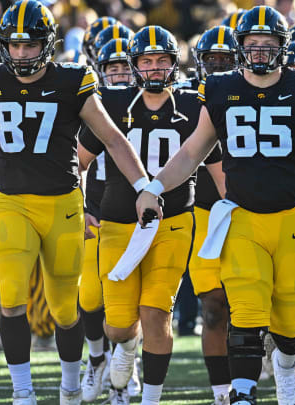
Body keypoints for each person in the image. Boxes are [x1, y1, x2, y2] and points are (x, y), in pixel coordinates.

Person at [135, 6, 295, 405]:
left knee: (288, 317)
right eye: (253, 44)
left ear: (282, 47)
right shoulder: (219, 89)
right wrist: (155, 186)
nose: (261, 51)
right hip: (242, 214)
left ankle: (286, 364)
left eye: (269, 44)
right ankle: (245, 392)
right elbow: (191, 152)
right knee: (247, 309)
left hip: (294, 217)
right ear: (241, 47)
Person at [0, 2, 150, 403]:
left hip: (62, 205)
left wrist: (145, 186)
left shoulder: (72, 81)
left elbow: (112, 138)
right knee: (11, 299)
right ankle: (22, 392)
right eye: (15, 46)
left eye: (30, 46)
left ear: (48, 44)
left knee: (64, 308)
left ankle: (71, 386)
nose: (22, 54)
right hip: (11, 203)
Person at [79, 25, 224, 405]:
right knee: (118, 325)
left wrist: (235, 208)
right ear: (135, 64)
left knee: (156, 313)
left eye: (162, 60)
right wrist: (78, 206)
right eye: (147, 60)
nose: (155, 68)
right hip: (117, 220)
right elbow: (76, 160)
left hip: (174, 221)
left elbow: (218, 167)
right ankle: (125, 347)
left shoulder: (194, 105)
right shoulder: (111, 103)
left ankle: (152, 399)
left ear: (174, 64)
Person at [77, 36, 140, 403]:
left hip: (131, 214)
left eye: (122, 68)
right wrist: (84, 206)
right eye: (111, 69)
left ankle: (126, 371)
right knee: (89, 297)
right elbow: (78, 161)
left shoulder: (145, 105)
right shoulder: (91, 104)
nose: (117, 75)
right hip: (96, 209)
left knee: (131, 302)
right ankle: (97, 358)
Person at [188, 25, 234, 405]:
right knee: (214, 307)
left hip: (252, 208)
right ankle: (222, 391)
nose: (217, 67)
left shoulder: (253, 93)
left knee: (253, 308)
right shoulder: (188, 99)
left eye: (225, 59)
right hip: (202, 212)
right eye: (211, 60)